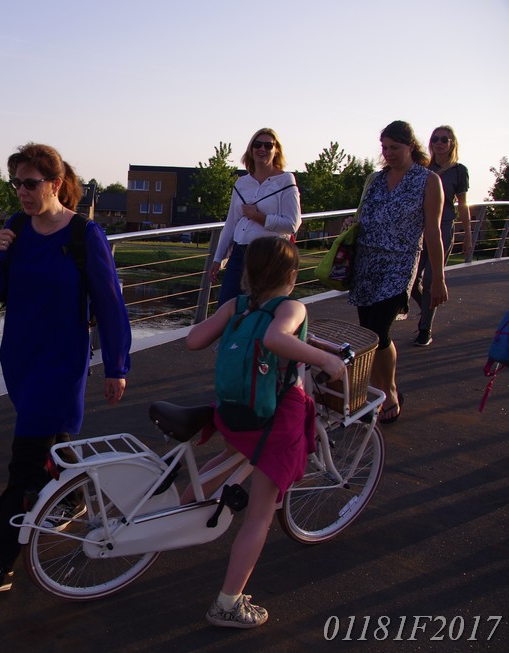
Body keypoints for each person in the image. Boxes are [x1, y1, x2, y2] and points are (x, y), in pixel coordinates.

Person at [0, 143, 132, 593]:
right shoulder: (17, 227)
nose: (21, 191)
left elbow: (110, 305)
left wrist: (116, 365)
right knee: (49, 443)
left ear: (55, 184)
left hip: (60, 361)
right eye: (16, 183)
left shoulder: (84, 234)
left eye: (30, 183)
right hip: (20, 357)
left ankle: (0, 562)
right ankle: (74, 496)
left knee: (24, 464)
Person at [186, 237, 346, 629]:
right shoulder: (292, 307)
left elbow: (193, 340)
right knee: (260, 514)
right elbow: (276, 338)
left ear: (248, 272)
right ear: (291, 275)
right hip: (275, 418)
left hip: (234, 412)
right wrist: (326, 360)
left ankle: (178, 510)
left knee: (230, 456)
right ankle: (227, 603)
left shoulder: (236, 306)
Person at [347, 120, 447, 425]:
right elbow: (362, 217)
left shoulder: (428, 181)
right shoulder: (375, 180)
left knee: (379, 330)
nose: (388, 153)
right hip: (366, 262)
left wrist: (438, 278)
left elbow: (433, 233)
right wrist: (351, 226)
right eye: (384, 147)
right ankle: (375, 391)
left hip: (400, 264)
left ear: (411, 147)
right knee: (368, 333)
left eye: (395, 147)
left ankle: (388, 391)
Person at [210, 128, 302, 307]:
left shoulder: (285, 181)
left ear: (276, 150)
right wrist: (218, 259)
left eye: (268, 146)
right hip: (239, 253)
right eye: (257, 145)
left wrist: (258, 216)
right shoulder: (242, 183)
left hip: (268, 256)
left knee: (260, 309)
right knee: (227, 306)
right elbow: (231, 223)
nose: (262, 149)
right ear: (251, 149)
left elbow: (292, 224)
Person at [409, 125, 471, 347]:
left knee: (431, 280)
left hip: (443, 228)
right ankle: (426, 308)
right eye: (435, 139)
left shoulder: (459, 171)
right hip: (420, 228)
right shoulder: (423, 168)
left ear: (452, 143)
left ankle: (425, 329)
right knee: (410, 279)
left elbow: (462, 205)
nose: (439, 143)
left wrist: (467, 235)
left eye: (444, 139)